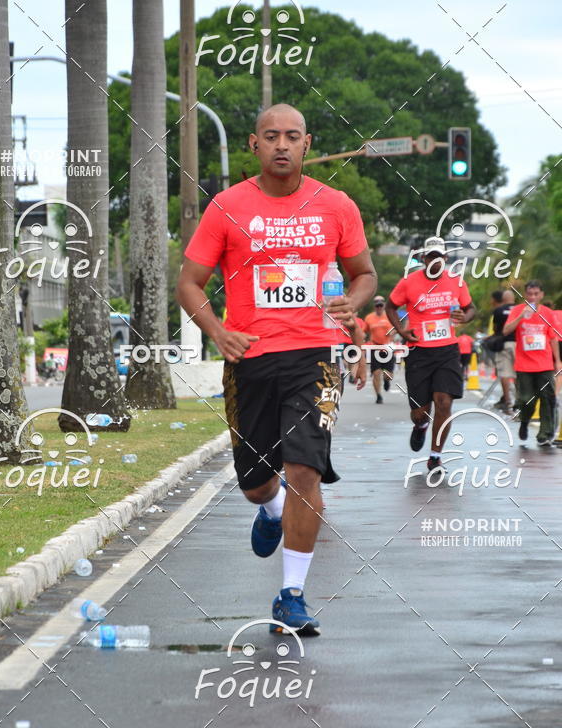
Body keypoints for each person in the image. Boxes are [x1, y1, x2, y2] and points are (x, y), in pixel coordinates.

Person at [177, 102, 377, 636]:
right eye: (272, 136)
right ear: (254, 144)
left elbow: (364, 274)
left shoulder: (335, 205)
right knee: (258, 485)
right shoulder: (226, 207)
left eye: (292, 136)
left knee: (303, 471)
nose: (282, 145)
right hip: (250, 358)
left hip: (315, 354)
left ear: (307, 144)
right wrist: (218, 332)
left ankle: (291, 595)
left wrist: (351, 304)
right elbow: (189, 283)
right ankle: (266, 514)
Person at [385, 237, 475, 473]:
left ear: (445, 259)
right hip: (419, 352)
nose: (435, 260)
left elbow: (470, 308)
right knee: (419, 412)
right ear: (423, 259)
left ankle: (435, 456)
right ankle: (421, 425)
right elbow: (390, 306)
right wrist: (401, 330)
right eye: (430, 256)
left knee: (444, 402)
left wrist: (465, 317)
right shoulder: (409, 282)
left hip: (447, 350)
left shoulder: (456, 281)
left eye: (439, 256)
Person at [503, 280, 562, 445]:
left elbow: (553, 339)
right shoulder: (517, 310)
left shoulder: (548, 313)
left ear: (541, 295)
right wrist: (522, 315)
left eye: (536, 294)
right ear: (525, 295)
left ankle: (545, 434)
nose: (533, 297)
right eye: (529, 294)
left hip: (545, 365)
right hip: (524, 365)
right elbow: (506, 330)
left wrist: (558, 361)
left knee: (548, 398)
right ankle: (524, 421)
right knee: (526, 399)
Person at [364, 295, 396, 403]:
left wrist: (393, 332)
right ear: (374, 306)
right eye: (377, 305)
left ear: (384, 305)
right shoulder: (369, 317)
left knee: (388, 375)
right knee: (376, 373)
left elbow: (396, 328)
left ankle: (386, 381)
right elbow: (365, 331)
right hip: (375, 347)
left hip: (387, 347)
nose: (379, 307)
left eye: (381, 305)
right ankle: (378, 396)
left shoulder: (389, 316)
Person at [492, 288, 516, 413]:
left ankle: (508, 402)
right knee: (518, 373)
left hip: (504, 344)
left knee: (505, 373)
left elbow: (496, 329)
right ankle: (519, 402)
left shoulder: (499, 310)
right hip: (519, 345)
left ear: (503, 299)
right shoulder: (520, 309)